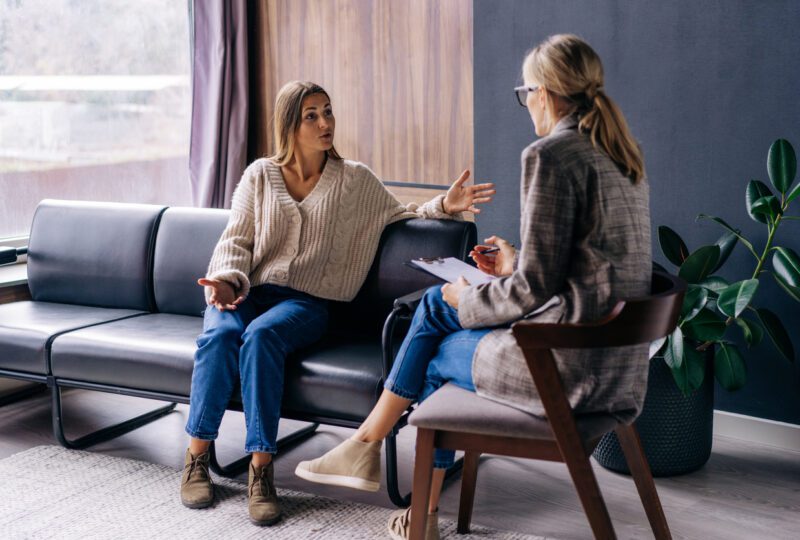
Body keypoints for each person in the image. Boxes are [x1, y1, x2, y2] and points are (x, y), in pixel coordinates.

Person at [295, 34, 651, 540]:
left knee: (438, 334)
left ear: (544, 93)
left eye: (525, 92)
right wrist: (515, 262)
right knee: (440, 313)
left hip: (565, 371)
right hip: (616, 368)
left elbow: (531, 294)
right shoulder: (621, 154)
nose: (526, 103)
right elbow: (584, 269)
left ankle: (388, 471)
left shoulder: (550, 155)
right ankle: (380, 460)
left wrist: (472, 296)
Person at [179, 80, 495, 525]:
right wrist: (226, 283)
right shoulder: (259, 175)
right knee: (220, 336)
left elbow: (399, 213)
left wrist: (446, 203)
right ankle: (196, 457)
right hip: (246, 290)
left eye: (328, 112)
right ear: (290, 124)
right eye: (312, 115)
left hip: (306, 303)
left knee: (262, 337)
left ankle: (261, 470)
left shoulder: (353, 180)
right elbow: (236, 241)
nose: (325, 123)